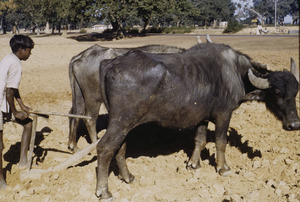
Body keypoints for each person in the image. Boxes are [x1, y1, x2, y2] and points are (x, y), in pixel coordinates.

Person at [0, 35, 34, 189]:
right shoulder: (16, 64)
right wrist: (14, 112)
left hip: (4, 103)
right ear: (21, 50)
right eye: (29, 51)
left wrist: (22, 105)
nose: (30, 54)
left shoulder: (9, 58)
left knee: (28, 123)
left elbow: (13, 88)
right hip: (1, 103)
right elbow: (8, 91)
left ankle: (23, 160)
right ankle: (1, 181)